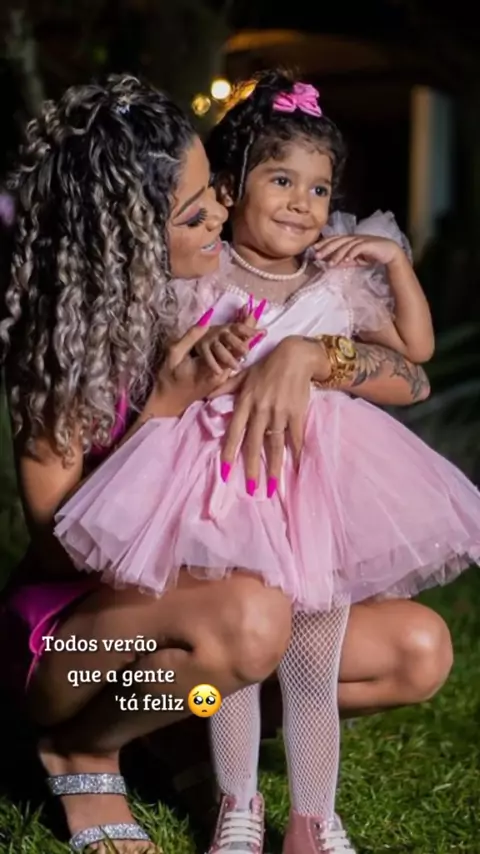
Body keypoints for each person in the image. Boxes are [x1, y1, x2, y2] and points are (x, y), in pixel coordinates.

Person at [0, 72, 443, 853]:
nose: (219, 212)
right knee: (253, 619)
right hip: (75, 644)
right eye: (193, 209)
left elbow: (414, 376)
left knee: (417, 651)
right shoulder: (66, 345)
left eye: (214, 189)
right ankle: (83, 748)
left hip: (203, 625)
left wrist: (310, 356)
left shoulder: (228, 288)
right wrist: (166, 405)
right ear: (130, 233)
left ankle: (173, 721)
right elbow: (61, 549)